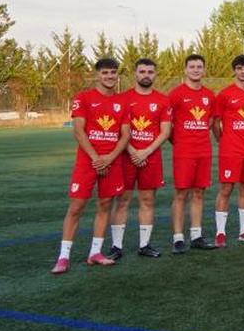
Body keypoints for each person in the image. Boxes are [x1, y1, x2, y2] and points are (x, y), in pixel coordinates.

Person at [50, 58, 130, 274]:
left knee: (105, 205)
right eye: (105, 73)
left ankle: (95, 252)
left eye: (113, 72)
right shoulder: (83, 98)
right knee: (76, 207)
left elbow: (125, 135)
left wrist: (109, 158)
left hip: (111, 161)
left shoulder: (122, 102)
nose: (110, 76)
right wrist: (96, 158)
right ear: (97, 74)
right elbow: (78, 131)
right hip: (88, 160)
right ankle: (63, 256)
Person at [110, 57, 172, 260]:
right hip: (126, 157)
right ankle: (116, 246)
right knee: (123, 200)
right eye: (142, 72)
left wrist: (145, 152)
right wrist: (133, 151)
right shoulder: (122, 99)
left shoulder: (162, 100)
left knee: (147, 200)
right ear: (135, 74)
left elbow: (165, 131)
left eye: (150, 72)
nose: (146, 75)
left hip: (151, 157)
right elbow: (117, 130)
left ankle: (144, 245)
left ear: (155, 74)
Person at [167, 54, 219, 253]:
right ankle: (178, 238)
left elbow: (210, 122)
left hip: (203, 150)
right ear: (185, 69)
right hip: (184, 151)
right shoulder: (176, 94)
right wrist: (179, 142)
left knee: (199, 192)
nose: (196, 70)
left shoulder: (209, 95)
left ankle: (196, 235)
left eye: (199, 66)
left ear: (204, 69)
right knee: (181, 193)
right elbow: (168, 125)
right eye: (192, 66)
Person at [212, 55, 244, 245]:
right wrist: (223, 141)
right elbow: (215, 122)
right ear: (234, 70)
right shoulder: (225, 94)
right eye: (240, 68)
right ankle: (220, 233)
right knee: (226, 188)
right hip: (230, 150)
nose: (243, 71)